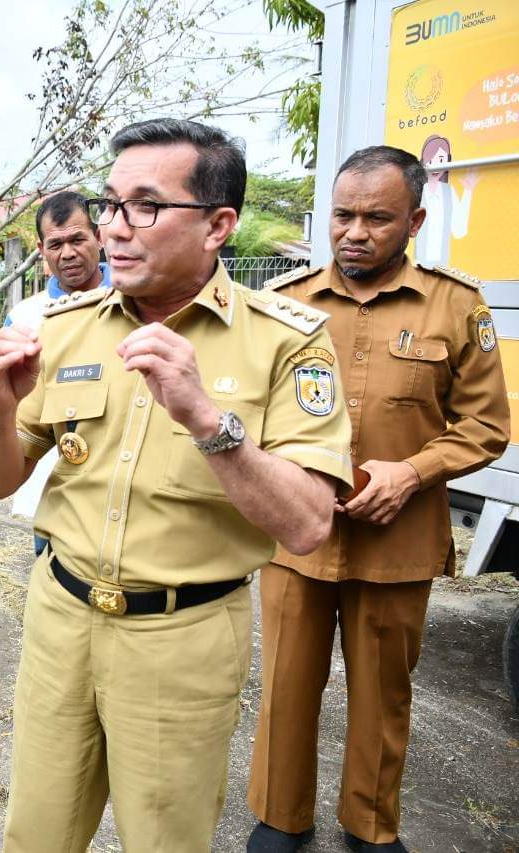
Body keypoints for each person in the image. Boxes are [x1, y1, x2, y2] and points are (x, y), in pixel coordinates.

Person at [0, 118, 354, 852]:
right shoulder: (64, 327)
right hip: (60, 617)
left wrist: (209, 419)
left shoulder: (287, 339)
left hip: (183, 635)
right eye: (110, 204)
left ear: (218, 225)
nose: (115, 228)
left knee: (166, 839)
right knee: (36, 833)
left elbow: (309, 523)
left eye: (145, 206)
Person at [245, 146, 508, 853]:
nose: (355, 231)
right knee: (286, 684)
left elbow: (488, 425)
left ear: (415, 220)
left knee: (383, 694)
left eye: (377, 217)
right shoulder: (284, 303)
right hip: (299, 536)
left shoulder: (456, 306)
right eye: (342, 214)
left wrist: (414, 471)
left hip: (397, 542)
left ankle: (369, 823)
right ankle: (280, 815)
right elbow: (248, 408)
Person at [4, 190, 111, 524]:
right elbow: (11, 411)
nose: (68, 254)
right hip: (47, 494)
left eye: (78, 240)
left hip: (115, 492)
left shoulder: (132, 301)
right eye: (55, 244)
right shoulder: (24, 318)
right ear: (41, 251)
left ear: (98, 237)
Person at [414, 134, 478, 269]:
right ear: (424, 163)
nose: (436, 166)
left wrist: (468, 191)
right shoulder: (417, 192)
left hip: (442, 267)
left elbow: (459, 230)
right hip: (418, 266)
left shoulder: (449, 192)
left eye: (441, 160)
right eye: (431, 161)